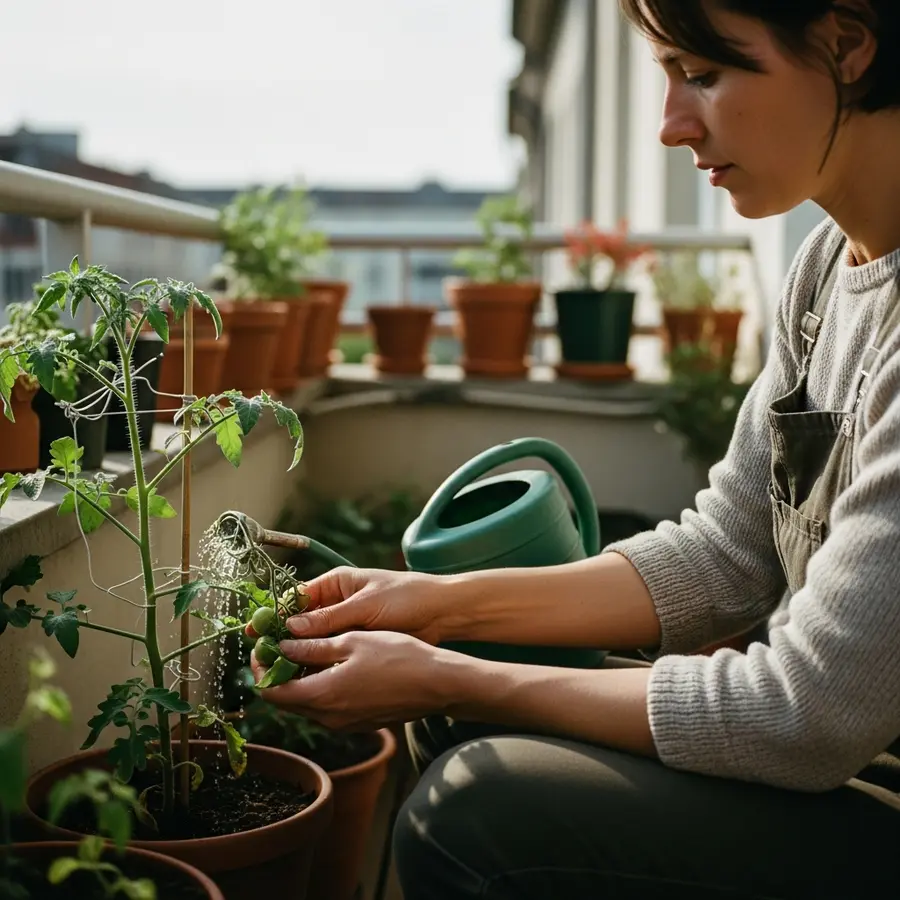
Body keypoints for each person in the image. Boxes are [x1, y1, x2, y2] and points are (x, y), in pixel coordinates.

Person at [248, 1, 900, 896]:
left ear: (847, 43)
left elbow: (808, 712)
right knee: (458, 730)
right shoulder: (827, 268)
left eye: (703, 74)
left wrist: (448, 671)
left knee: (472, 811)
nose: (672, 125)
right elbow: (725, 555)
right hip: (842, 759)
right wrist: (433, 606)